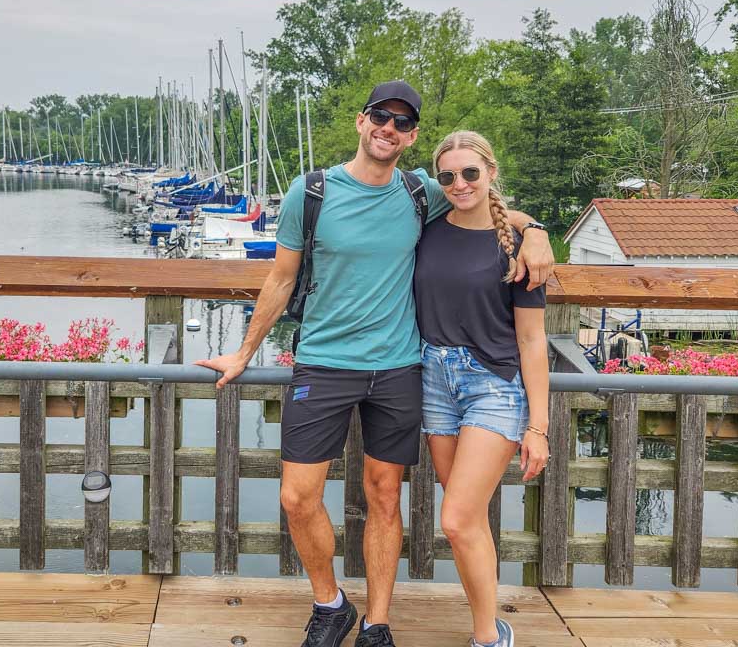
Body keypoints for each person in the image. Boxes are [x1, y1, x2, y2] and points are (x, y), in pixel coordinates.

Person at [197, 81, 553, 647]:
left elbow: (489, 204)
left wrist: (535, 232)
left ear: (411, 138)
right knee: (297, 496)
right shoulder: (309, 192)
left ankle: (378, 623)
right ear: (361, 122)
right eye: (380, 117)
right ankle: (330, 603)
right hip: (323, 361)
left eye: (403, 123)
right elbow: (281, 278)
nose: (390, 128)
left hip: (400, 367)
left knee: (385, 495)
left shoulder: (420, 193)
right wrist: (243, 352)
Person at [414, 131, 551, 647]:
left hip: (493, 384)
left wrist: (537, 426)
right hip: (433, 379)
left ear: (491, 173)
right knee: (466, 520)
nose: (459, 183)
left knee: (455, 519)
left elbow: (532, 340)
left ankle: (487, 639)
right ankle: (490, 626)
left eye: (470, 172)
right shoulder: (426, 229)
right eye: (447, 175)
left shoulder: (515, 244)